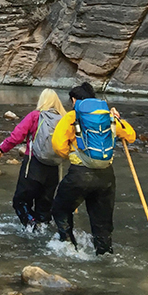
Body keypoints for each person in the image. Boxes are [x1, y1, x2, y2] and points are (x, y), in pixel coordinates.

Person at [50, 81, 136, 255]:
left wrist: (71, 155)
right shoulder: (108, 117)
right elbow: (131, 136)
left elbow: (57, 145)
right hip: (106, 176)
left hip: (80, 174)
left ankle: (68, 246)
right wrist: (118, 119)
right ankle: (104, 254)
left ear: (74, 100)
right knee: (102, 221)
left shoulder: (72, 117)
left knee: (60, 209)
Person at [0, 88, 67, 228]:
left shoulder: (35, 116)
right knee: (45, 206)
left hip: (33, 165)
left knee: (20, 201)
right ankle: (43, 228)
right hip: (54, 169)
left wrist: (2, 149)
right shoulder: (64, 120)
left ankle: (31, 224)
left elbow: (17, 135)